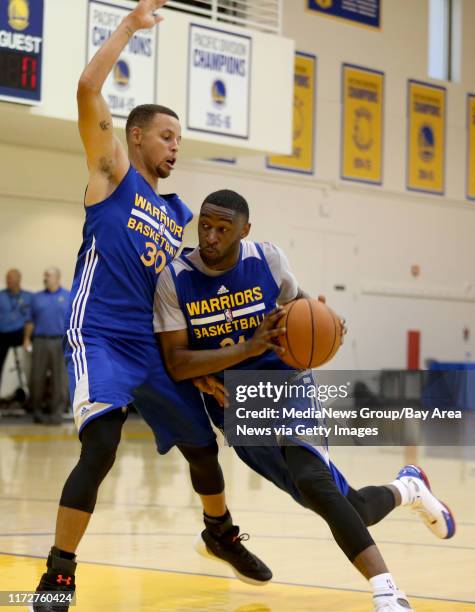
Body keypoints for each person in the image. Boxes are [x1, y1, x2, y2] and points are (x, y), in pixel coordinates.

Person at [31, 2, 269, 610]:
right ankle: (59, 574)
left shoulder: (176, 215)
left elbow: (190, 298)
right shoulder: (111, 174)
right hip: (101, 335)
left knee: (202, 447)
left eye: (180, 140)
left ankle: (220, 533)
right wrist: (128, 29)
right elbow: (86, 88)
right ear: (136, 136)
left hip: (151, 345)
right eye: (167, 136)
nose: (175, 148)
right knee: (103, 445)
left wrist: (210, 366)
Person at [137, 189, 456, 612]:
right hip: (236, 407)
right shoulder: (175, 278)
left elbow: (300, 305)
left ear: (244, 231)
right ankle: (408, 488)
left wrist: (326, 320)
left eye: (223, 229)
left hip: (286, 384)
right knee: (347, 506)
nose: (211, 237)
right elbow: (177, 363)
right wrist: (242, 352)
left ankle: (387, 592)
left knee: (313, 480)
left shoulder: (267, 259)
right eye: (205, 226)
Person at [23, 268, 70, 424]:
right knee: (37, 378)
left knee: (60, 379)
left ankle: (57, 414)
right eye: (44, 275)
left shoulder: (68, 296)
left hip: (61, 342)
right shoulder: (37, 298)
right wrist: (26, 339)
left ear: (57, 278)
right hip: (40, 341)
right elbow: (30, 321)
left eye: (48, 275)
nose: (45, 278)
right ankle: (37, 411)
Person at [0, 269, 32, 390]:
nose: (8, 280)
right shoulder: (1, 295)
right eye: (7, 278)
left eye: (11, 278)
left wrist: (27, 338)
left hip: (21, 334)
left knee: (30, 363)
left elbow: (31, 319)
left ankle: (29, 394)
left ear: (18, 279)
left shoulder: (28, 297)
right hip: (2, 335)